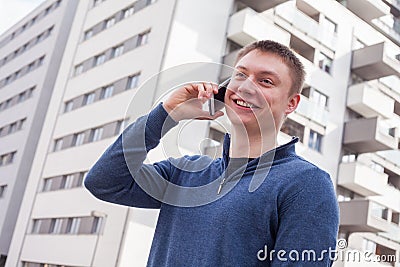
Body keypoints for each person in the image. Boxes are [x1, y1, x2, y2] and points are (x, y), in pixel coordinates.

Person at [84, 40, 339, 266]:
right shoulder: (185, 172)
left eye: (265, 81)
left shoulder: (306, 184)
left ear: (291, 103)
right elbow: (105, 182)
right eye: (240, 75)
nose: (247, 88)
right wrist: (166, 115)